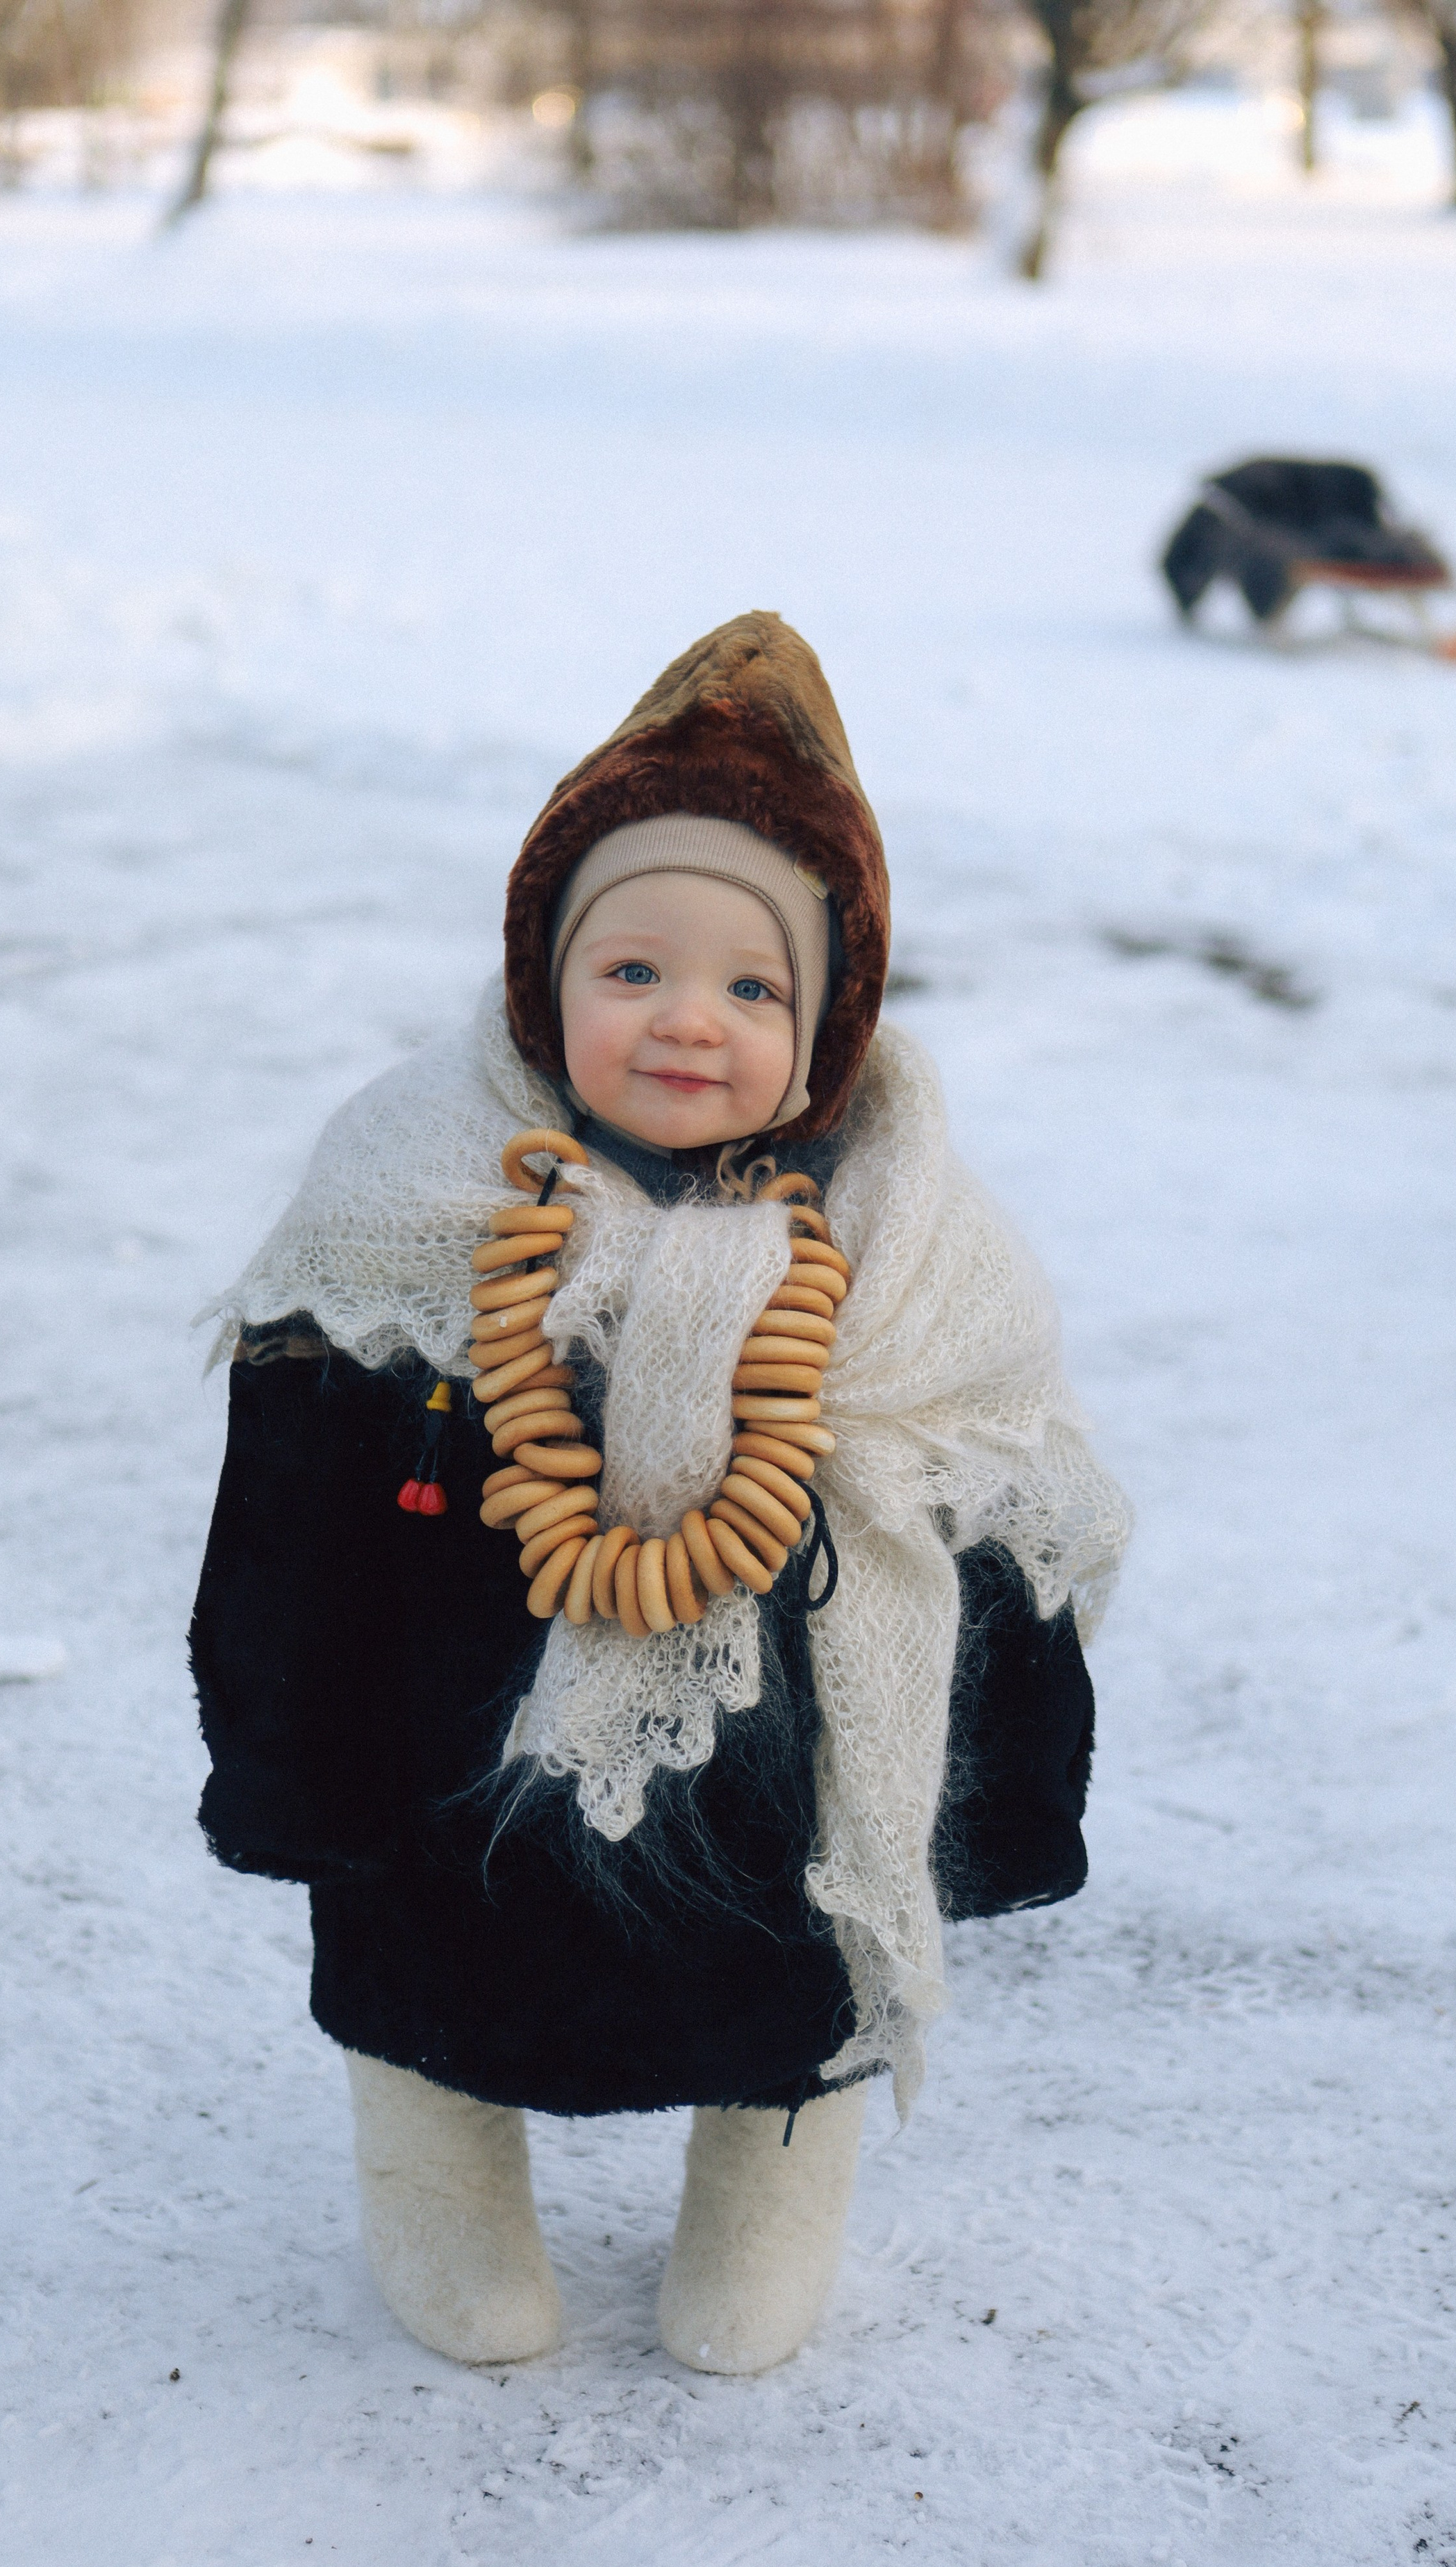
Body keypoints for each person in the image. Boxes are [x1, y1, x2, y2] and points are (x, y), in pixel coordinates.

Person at [190, 613, 1129, 2375]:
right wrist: (287, 1749)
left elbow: (999, 1505)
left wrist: (1010, 1798)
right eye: (631, 970)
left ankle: (769, 2179)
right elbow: (289, 1497)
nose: (687, 1020)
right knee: (428, 1938)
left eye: (751, 986)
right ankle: (434, 2160)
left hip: (783, 1753)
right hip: (448, 1720)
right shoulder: (408, 1191)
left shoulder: (913, 1250)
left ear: (829, 1015)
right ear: (545, 980)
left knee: (787, 1963)